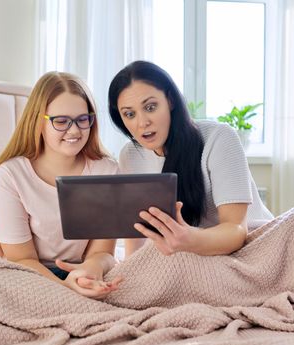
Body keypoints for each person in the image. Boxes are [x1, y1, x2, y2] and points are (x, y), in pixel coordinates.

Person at [108, 60, 274, 258]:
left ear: (170, 101)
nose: (142, 122)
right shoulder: (130, 155)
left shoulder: (219, 138)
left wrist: (190, 240)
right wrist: (132, 271)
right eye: (129, 114)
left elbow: (236, 230)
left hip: (252, 246)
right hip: (189, 254)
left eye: (151, 107)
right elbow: (136, 234)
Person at [0, 71, 122, 299]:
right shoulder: (11, 174)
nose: (75, 130)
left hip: (82, 270)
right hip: (29, 273)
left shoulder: (106, 170)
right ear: (39, 121)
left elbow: (103, 253)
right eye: (61, 121)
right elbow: (21, 259)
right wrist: (66, 287)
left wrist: (88, 273)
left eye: (82, 119)